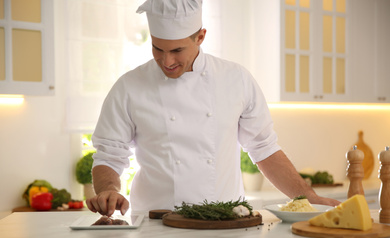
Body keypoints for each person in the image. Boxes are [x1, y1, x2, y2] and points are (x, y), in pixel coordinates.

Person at [86, 0, 340, 217]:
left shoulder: (235, 79)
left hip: (227, 222)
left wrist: (308, 198)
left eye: (177, 50)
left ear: (200, 37)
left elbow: (264, 148)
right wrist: (109, 190)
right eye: (157, 48)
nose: (167, 61)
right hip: (156, 224)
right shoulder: (129, 87)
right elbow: (109, 155)